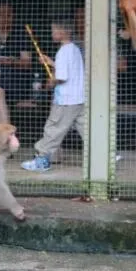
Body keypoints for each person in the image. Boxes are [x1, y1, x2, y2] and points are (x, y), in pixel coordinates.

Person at [21, 19, 86, 172]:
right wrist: (51, 62)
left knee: (54, 128)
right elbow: (70, 70)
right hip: (79, 98)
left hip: (65, 100)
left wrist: (50, 83)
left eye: (54, 30)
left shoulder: (62, 52)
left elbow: (61, 77)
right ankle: (107, 154)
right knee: (87, 129)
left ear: (63, 32)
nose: (52, 33)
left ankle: (42, 159)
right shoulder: (74, 49)